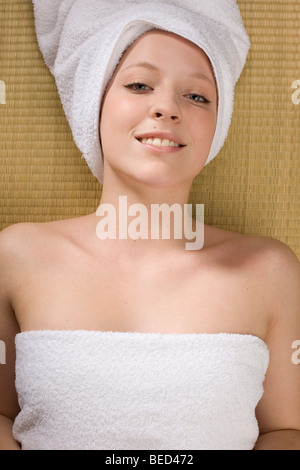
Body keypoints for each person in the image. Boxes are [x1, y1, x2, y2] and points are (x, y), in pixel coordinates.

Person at [0, 0, 299, 451]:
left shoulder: (270, 269)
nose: (166, 108)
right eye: (139, 84)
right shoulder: (17, 256)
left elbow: (286, 430)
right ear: (92, 103)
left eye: (197, 95)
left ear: (218, 125)